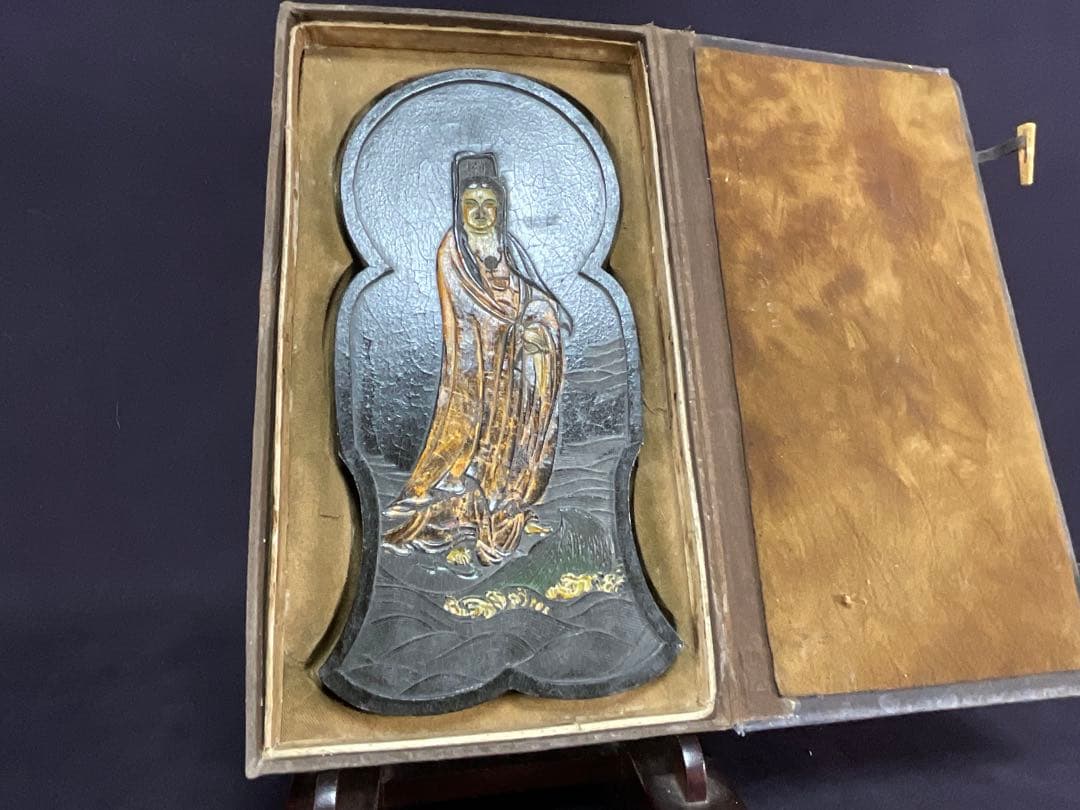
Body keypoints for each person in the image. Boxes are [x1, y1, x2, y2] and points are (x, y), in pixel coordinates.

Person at [382, 152, 568, 565]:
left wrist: (539, 325)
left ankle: (503, 500)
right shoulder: (453, 252)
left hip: (512, 378)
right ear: (459, 208)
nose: (481, 214)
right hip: (475, 374)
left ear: (500, 208)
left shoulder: (509, 249)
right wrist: (515, 329)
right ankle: (461, 508)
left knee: (510, 438)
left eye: (489, 204)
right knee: (468, 438)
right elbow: (472, 309)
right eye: (471, 205)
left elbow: (533, 296)